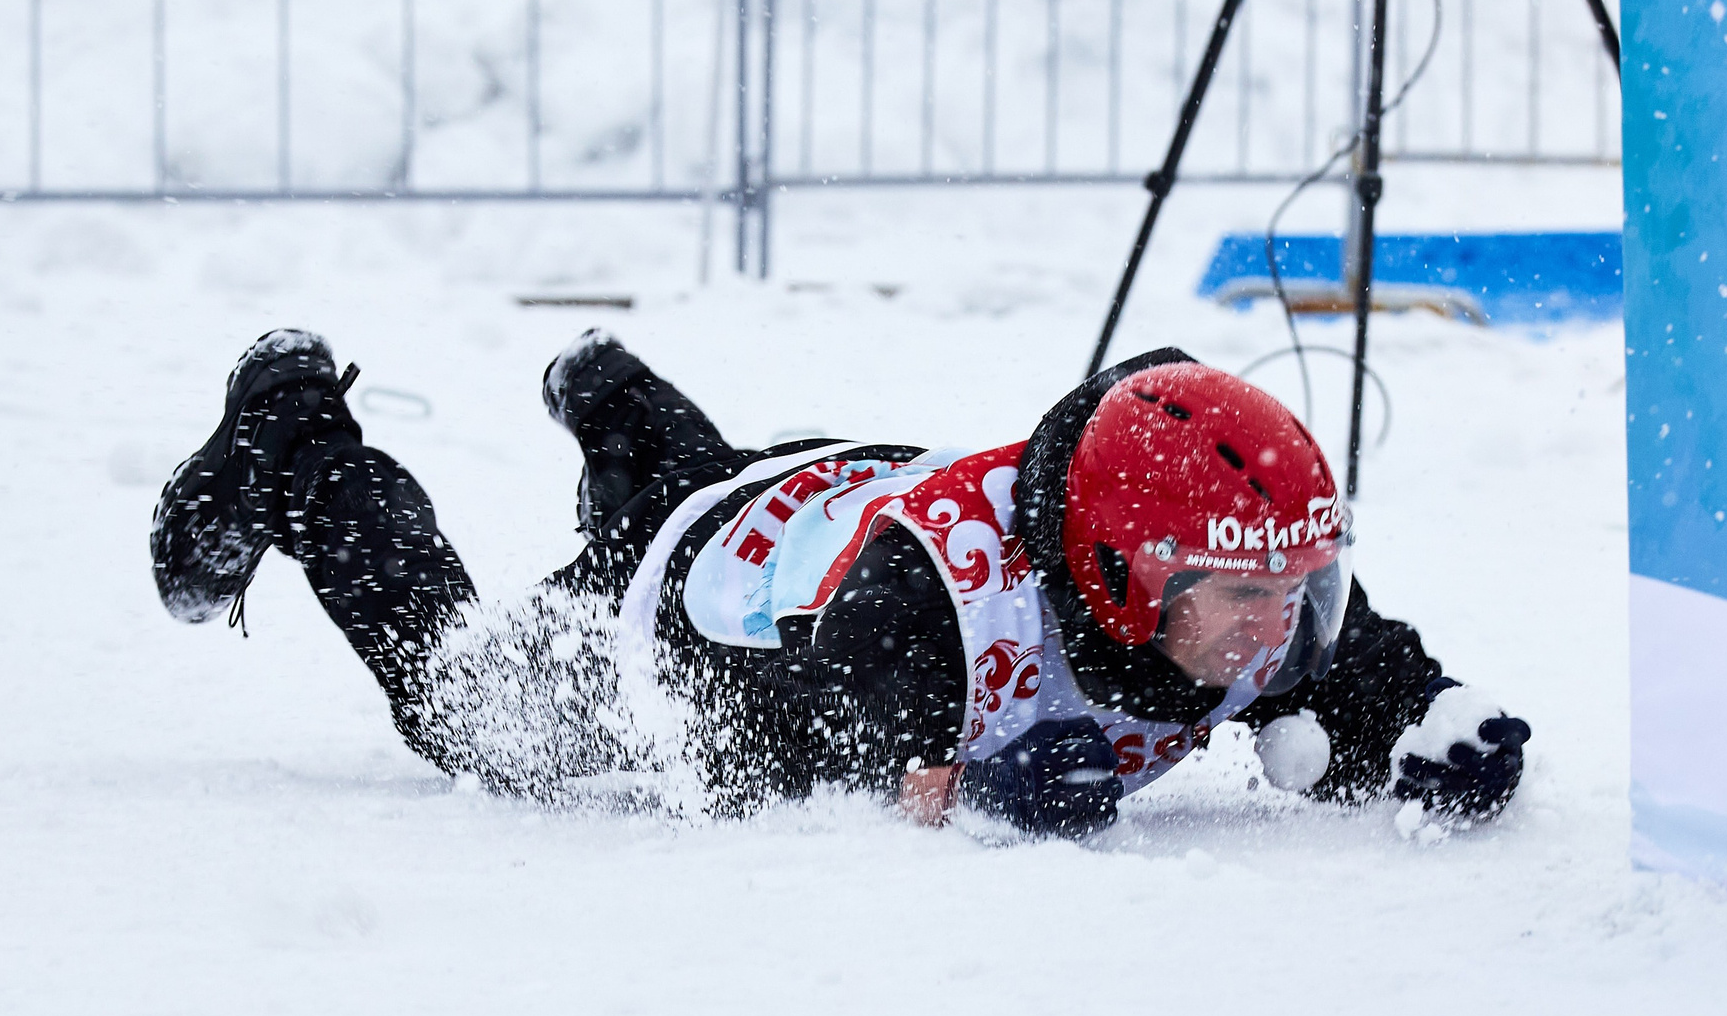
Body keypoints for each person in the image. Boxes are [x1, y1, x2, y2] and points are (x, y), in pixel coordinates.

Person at [148, 330, 1531, 837]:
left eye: (1300, 580)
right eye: (1241, 595)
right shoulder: (919, 628)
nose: (1276, 620)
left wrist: (1428, 725)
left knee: (694, 488)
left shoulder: (1232, 578)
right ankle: (301, 452)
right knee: (470, 713)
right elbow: (761, 751)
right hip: (711, 626)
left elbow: (1350, 669)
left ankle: (624, 413)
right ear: (1114, 572)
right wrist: (983, 792)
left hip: (822, 499)